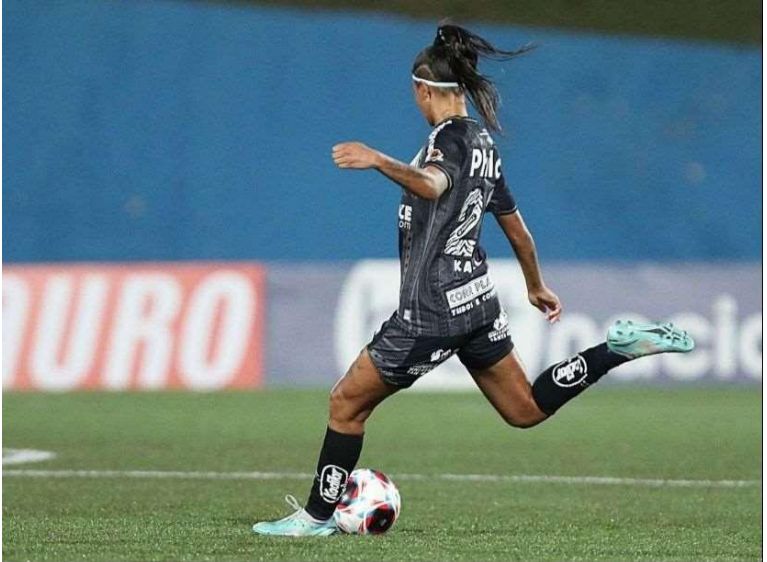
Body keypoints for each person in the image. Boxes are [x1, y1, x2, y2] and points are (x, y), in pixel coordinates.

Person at [252, 24, 694, 537]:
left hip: (431, 310)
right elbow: (519, 231)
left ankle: (315, 518)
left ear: (423, 90)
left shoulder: (449, 142)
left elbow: (431, 183)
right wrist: (534, 285)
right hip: (478, 301)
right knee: (524, 409)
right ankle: (615, 350)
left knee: (345, 404)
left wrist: (377, 160)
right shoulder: (484, 143)